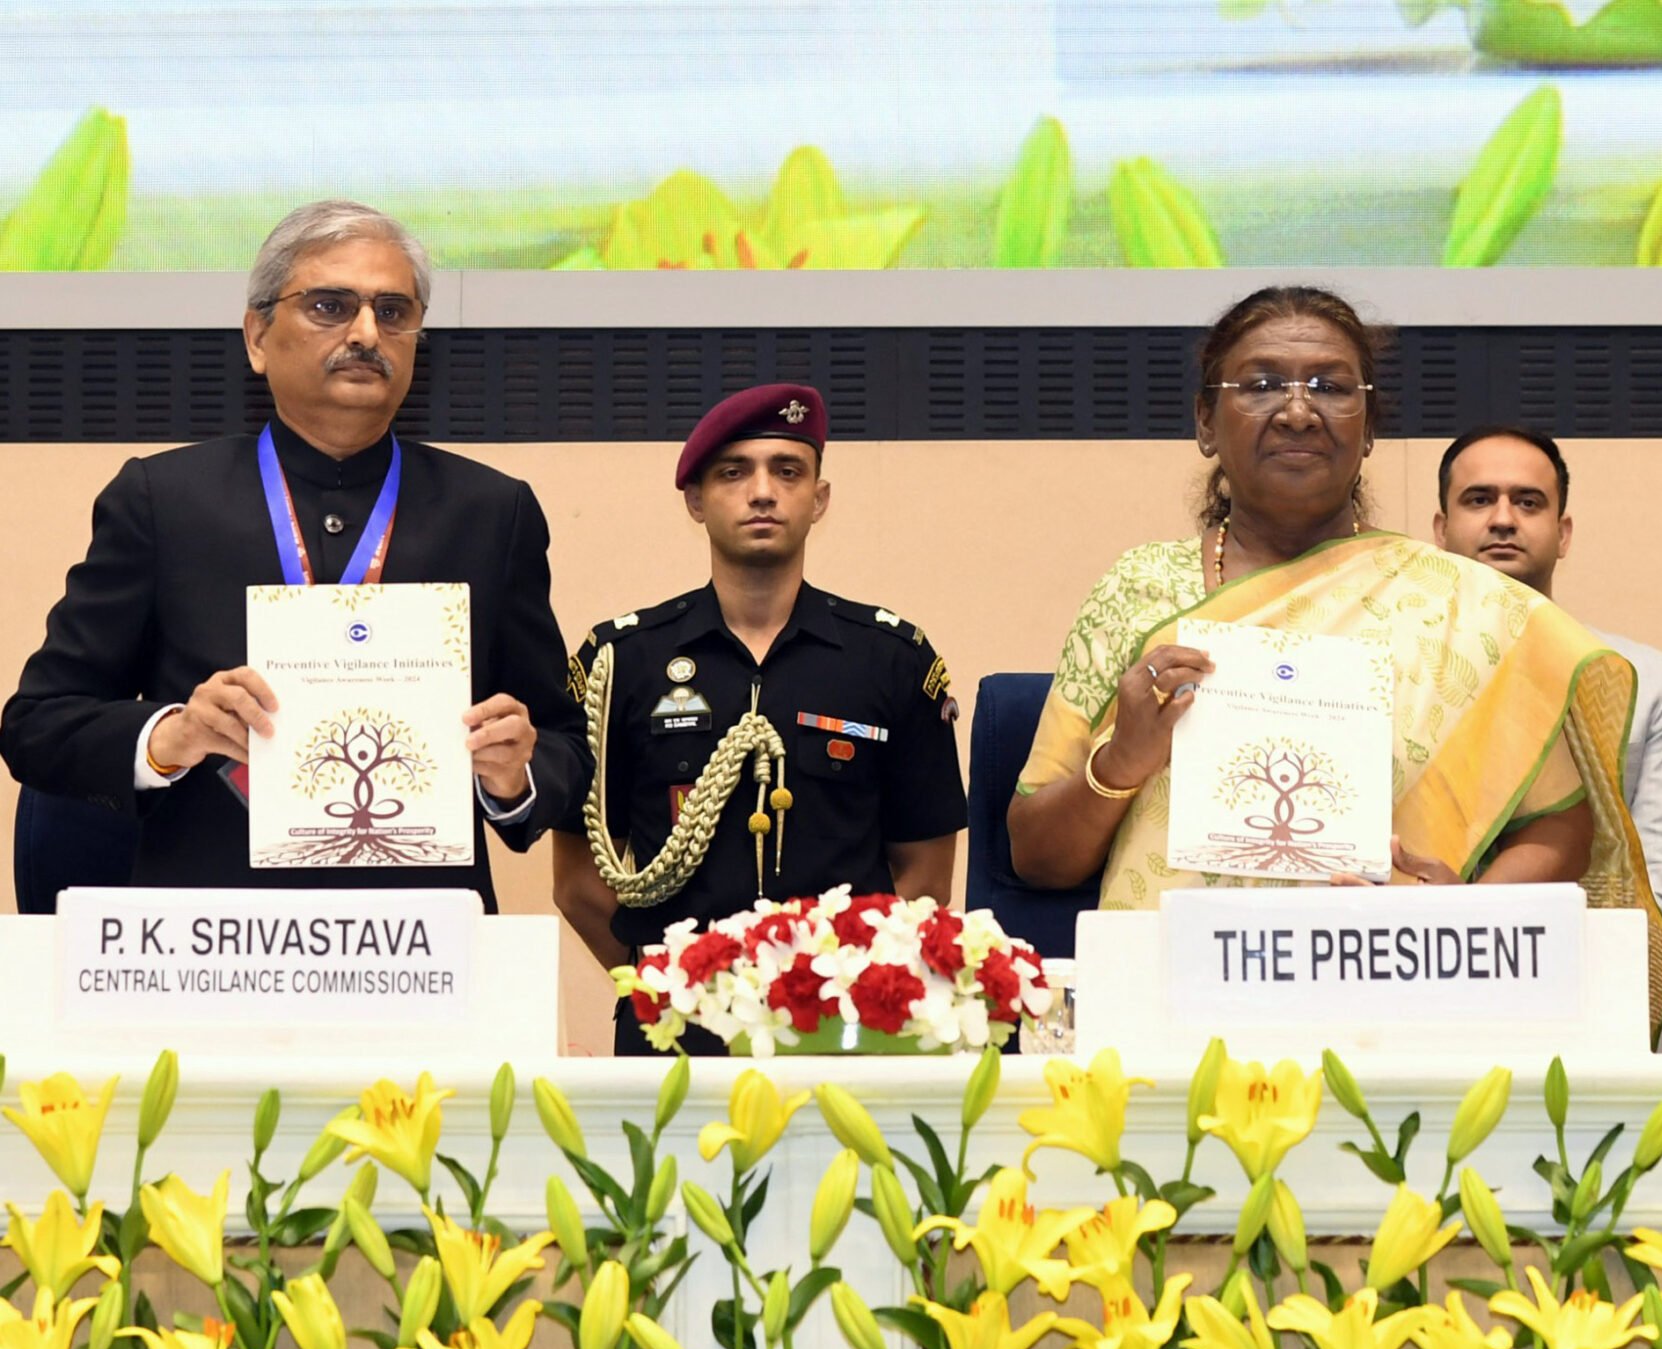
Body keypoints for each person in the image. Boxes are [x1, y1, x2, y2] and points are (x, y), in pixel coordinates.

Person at [1005, 285, 1662, 1034]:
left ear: (1370, 424)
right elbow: (1036, 856)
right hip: (1175, 1003)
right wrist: (1122, 762)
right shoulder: (1138, 592)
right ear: (1205, 422)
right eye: (1259, 385)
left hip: (1397, 1001)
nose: (1297, 410)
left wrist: (1459, 909)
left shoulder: (1459, 605)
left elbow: (1559, 830)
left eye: (1330, 386)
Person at [2, 200, 581, 910]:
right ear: (256, 336)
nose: (367, 332)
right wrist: (173, 736)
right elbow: (39, 726)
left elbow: (563, 746)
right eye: (330, 306)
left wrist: (514, 775)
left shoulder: (493, 512)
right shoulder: (161, 499)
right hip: (210, 939)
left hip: (424, 945)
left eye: (394, 312)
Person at [555, 383, 966, 1055]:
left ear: (819, 499)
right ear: (695, 500)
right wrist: (671, 986)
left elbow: (924, 877)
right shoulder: (621, 663)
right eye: (733, 472)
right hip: (677, 1031)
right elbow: (577, 882)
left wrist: (841, 993)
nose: (763, 491)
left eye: (787, 470)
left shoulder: (891, 660)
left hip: (846, 1029)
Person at [1432, 425, 1662, 965]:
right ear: (1441, 531)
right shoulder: (1395, 675)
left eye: (1528, 502)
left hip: (1593, 1002)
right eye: (1478, 499)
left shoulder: (1650, 682)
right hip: (1414, 993)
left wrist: (1489, 943)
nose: (1502, 518)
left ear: (1562, 534)